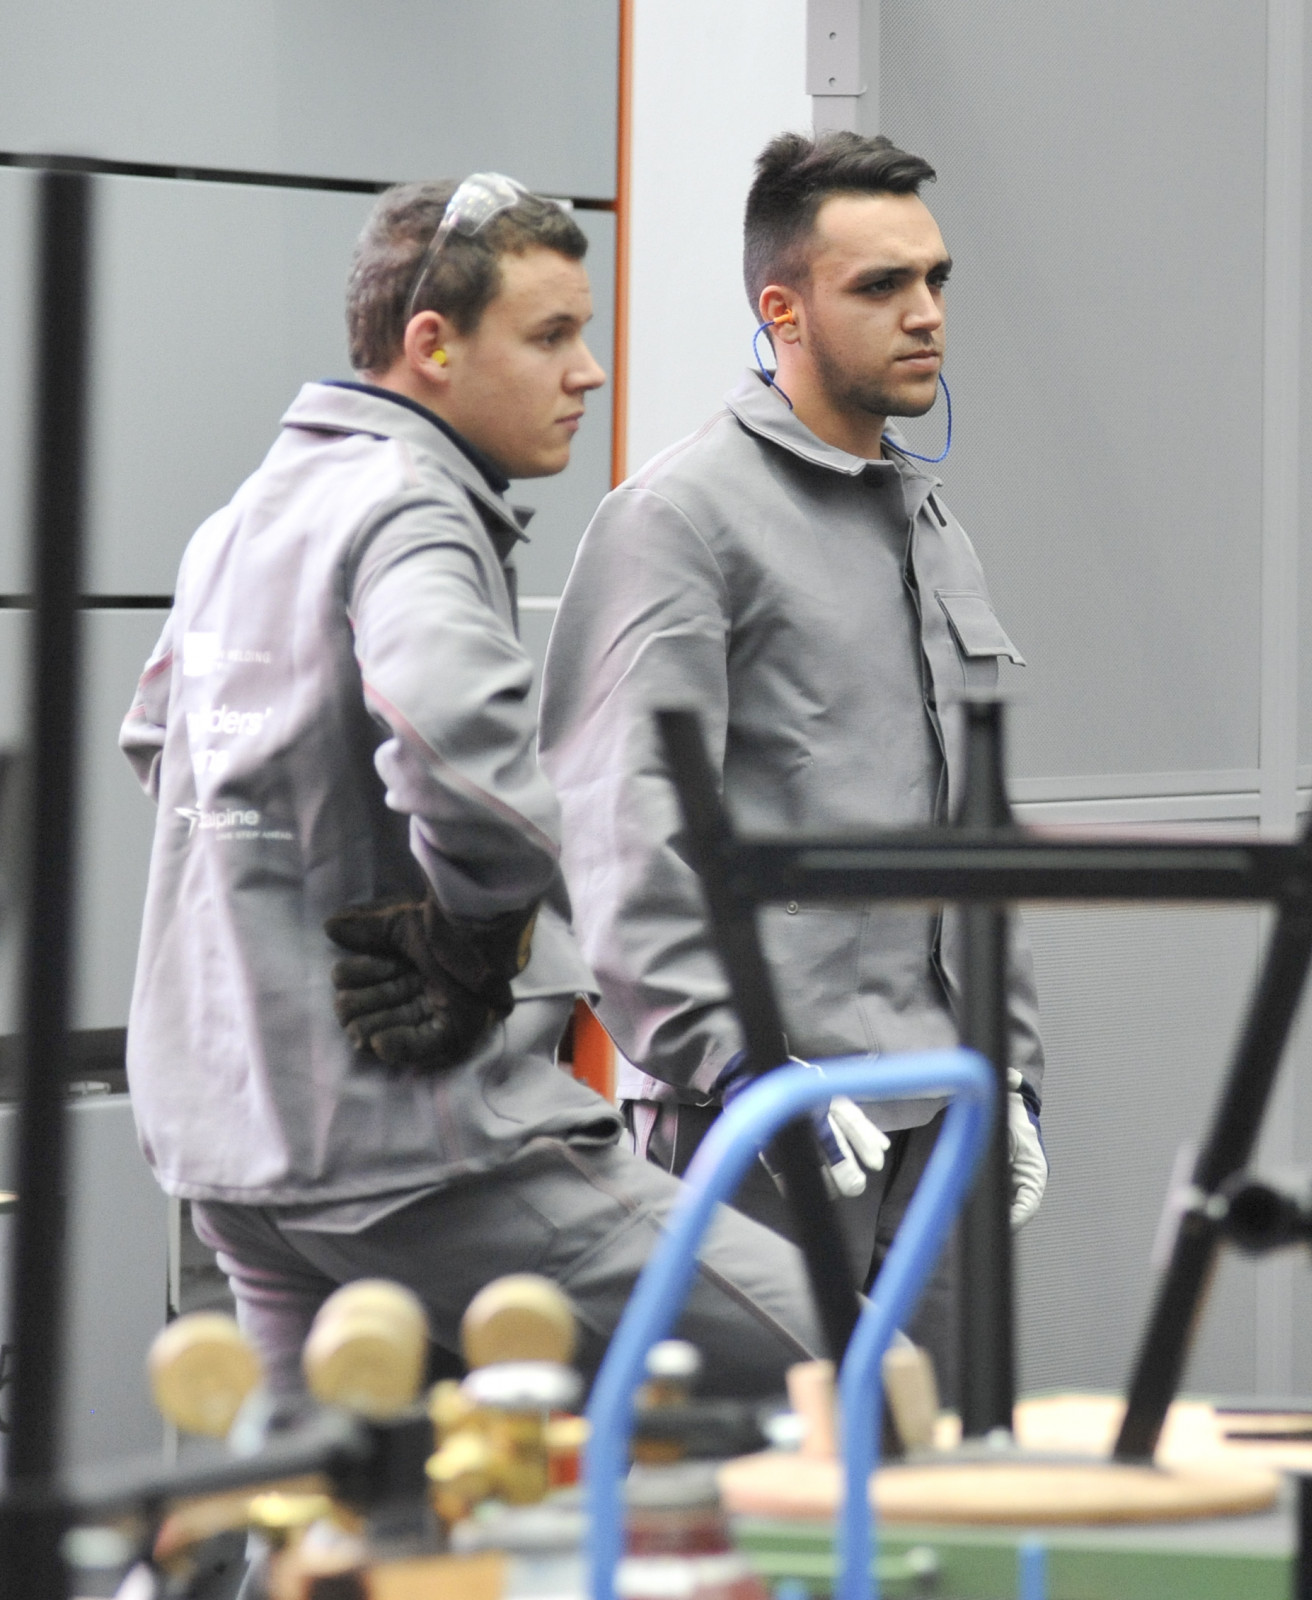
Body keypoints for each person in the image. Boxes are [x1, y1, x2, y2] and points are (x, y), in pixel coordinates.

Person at [122, 175, 825, 1400]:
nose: (587, 371)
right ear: (433, 346)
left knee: (340, 1489)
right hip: (421, 1159)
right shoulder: (410, 511)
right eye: (551, 336)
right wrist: (472, 937)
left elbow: (158, 741)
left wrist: (302, 897)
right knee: (866, 1368)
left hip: (233, 1148)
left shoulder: (242, 520)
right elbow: (468, 772)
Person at [539, 132, 1047, 1386]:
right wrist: (744, 1067)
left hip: (941, 1116)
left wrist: (1014, 1068)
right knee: (754, 1484)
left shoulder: (929, 527)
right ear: (784, 311)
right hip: (764, 1124)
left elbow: (977, 832)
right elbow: (618, 842)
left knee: (933, 1474)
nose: (925, 313)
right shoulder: (680, 521)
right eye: (881, 286)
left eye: (934, 278)